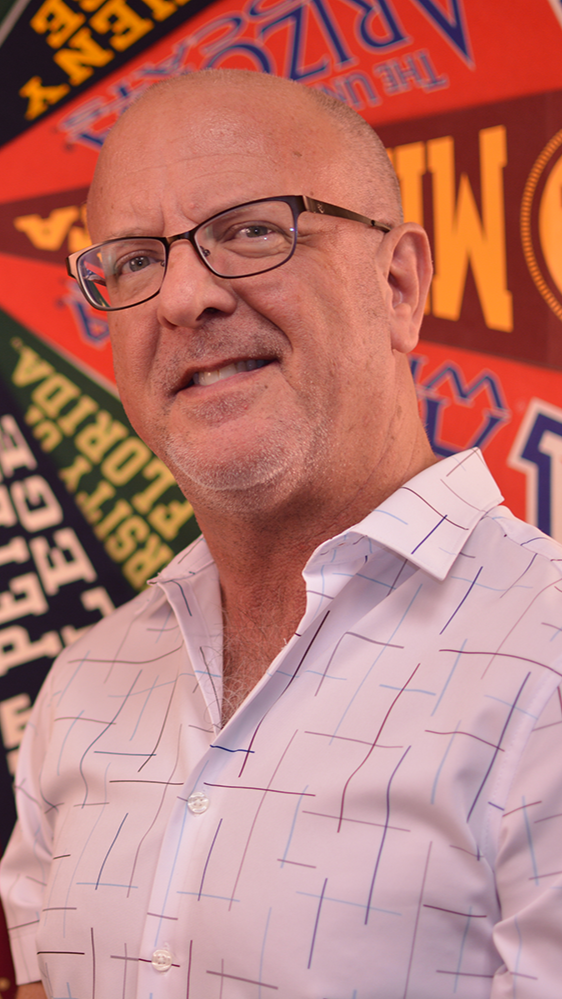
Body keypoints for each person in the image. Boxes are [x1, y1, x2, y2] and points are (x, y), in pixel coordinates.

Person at [2, 69, 562, 999]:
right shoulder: (83, 685)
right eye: (136, 260)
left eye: (253, 230)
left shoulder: (545, 661)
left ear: (398, 282)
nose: (184, 298)